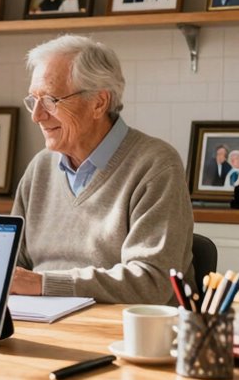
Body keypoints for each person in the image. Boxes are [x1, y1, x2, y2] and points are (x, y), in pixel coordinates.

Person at [10, 35, 193, 304]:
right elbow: (13, 265)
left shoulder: (155, 165)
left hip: (123, 333)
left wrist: (44, 283)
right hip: (40, 323)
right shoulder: (40, 168)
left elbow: (151, 281)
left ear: (98, 102)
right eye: (32, 100)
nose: (37, 115)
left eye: (50, 100)